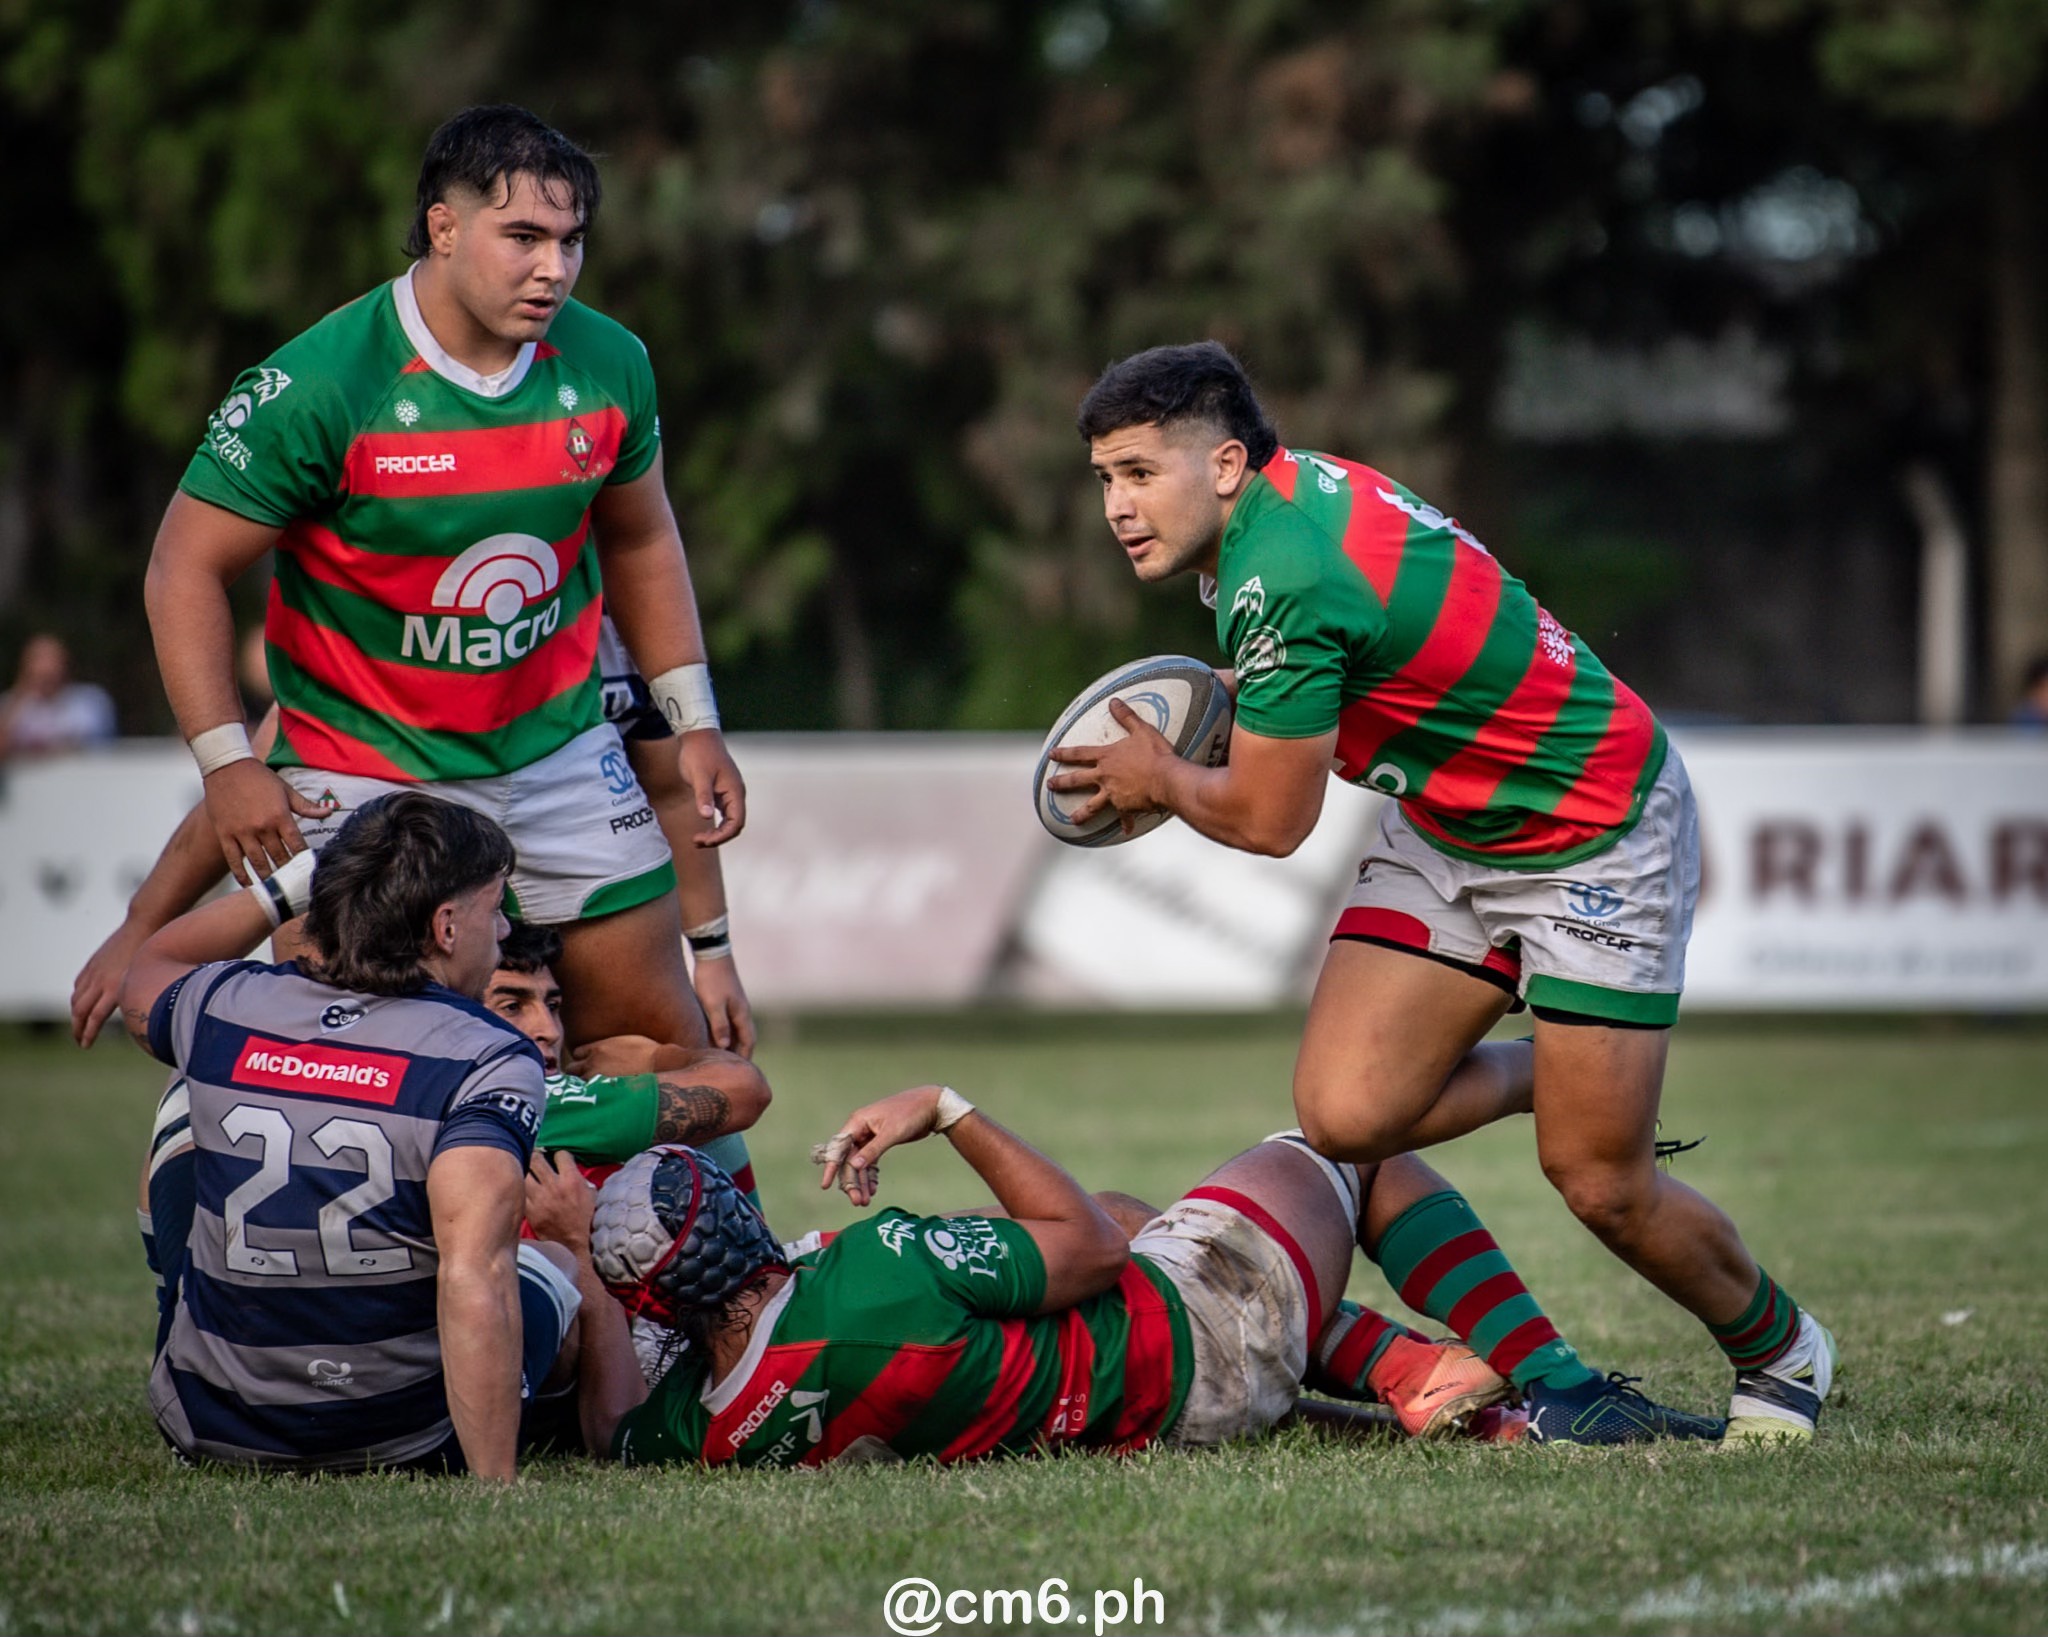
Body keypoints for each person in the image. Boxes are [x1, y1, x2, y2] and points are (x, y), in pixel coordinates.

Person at [1046, 342, 1833, 1444]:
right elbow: (1361, 659)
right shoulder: (1274, 515)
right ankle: (1545, 1076)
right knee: (1344, 1115)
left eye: (1137, 472)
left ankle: (1781, 1348)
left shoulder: (1283, 569)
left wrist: (1159, 778)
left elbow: (1272, 822)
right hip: (1454, 821)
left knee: (1599, 1184)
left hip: (1592, 822)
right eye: (1103, 479)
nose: (1118, 506)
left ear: (1224, 463)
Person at [141, 102, 743, 1056]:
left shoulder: (611, 361)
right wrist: (228, 764)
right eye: (525, 237)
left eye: (572, 240)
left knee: (660, 1051)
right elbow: (182, 566)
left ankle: (632, 1210)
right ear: (443, 226)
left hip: (558, 750)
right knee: (345, 1063)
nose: (555, 267)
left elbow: (641, 540)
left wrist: (694, 716)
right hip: (364, 767)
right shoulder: (320, 386)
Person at [526, 1037, 1726, 1464]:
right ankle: (1562, 1388)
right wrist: (944, 1107)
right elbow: (1091, 1254)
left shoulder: (700, 1425)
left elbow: (612, 1431)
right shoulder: (874, 1266)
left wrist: (584, 1250)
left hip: (1143, 1411)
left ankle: (1416, 1379)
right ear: (731, 1218)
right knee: (1351, 1144)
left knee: (1125, 1197)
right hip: (1194, 1343)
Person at [121, 790, 598, 1477]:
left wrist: (288, 886)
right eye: (494, 910)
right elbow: (476, 1274)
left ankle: (185, 1317)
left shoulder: (225, 1003)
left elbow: (147, 966)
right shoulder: (487, 1053)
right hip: (401, 1435)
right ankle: (546, 1420)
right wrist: (496, 1485)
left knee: (179, 1106)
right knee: (549, 1265)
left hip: (210, 1423)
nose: (501, 934)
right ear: (445, 925)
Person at [74, 623, 759, 1059]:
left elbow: (672, 790)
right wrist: (138, 926)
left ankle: (717, 1266)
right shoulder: (384, 645)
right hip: (413, 941)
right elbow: (234, 803)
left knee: (665, 1056)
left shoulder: (623, 638)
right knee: (332, 1061)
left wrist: (715, 953)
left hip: (578, 887)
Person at [482, 922, 767, 1207]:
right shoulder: (528, 1098)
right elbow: (745, 1089)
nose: (549, 1030)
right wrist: (656, 1058)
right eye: (512, 1008)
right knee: (707, 1135)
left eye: (553, 1007)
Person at [0, 633, 116, 761]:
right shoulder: (9, 705)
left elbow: (101, 748)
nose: (46, 667)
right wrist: (20, 694)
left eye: (52, 659)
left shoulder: (90, 701)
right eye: (38, 659)